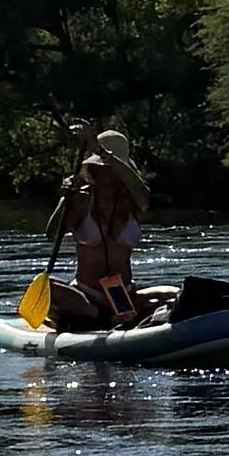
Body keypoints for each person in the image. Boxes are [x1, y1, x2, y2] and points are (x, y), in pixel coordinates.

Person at [40, 133, 161, 333]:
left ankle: (119, 316)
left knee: (172, 294)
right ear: (93, 169)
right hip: (86, 295)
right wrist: (65, 203)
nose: (106, 175)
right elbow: (51, 234)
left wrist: (107, 156)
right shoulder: (80, 199)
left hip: (123, 294)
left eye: (112, 169)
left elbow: (144, 193)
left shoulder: (133, 202)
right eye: (102, 169)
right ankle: (104, 318)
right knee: (48, 287)